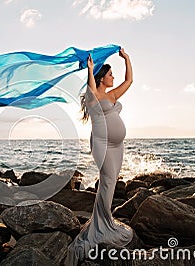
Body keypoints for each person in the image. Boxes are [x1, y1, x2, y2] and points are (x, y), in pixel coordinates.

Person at [66, 48, 134, 265]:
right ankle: (102, 227)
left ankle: (102, 221)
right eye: (110, 74)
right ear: (102, 78)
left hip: (117, 145)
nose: (113, 77)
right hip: (102, 145)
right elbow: (90, 89)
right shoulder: (94, 94)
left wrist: (127, 59)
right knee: (107, 182)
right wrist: (90, 70)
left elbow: (129, 80)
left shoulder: (112, 95)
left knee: (111, 183)